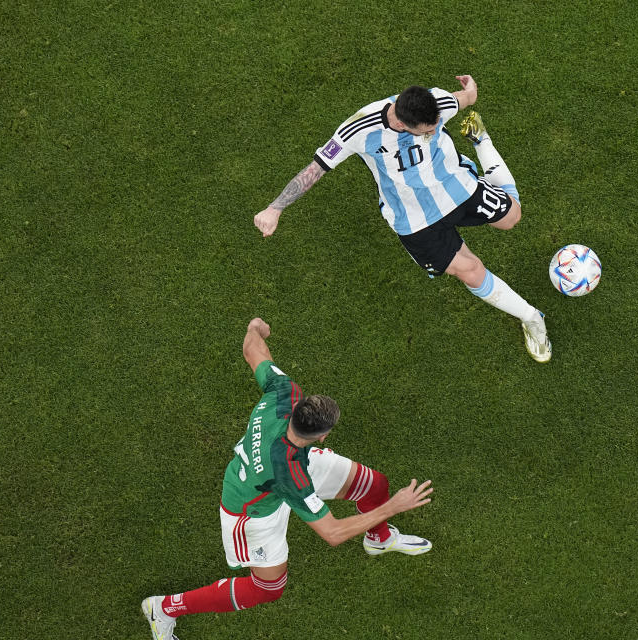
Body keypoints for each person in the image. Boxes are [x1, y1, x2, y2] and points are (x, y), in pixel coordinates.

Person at [141, 318, 434, 640]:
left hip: (289, 467)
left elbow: (253, 351)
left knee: (373, 484)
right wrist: (394, 506)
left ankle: (378, 540)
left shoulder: (284, 392)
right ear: (322, 436)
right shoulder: (291, 475)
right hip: (252, 511)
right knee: (266, 589)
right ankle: (164, 607)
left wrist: (255, 329)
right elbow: (332, 533)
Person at [253, 75, 552, 362]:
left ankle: (480, 139)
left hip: (456, 187)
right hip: (414, 219)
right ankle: (531, 317)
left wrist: (470, 90)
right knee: (470, 270)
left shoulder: (435, 103)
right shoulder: (357, 131)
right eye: (426, 131)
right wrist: (275, 208)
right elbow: (314, 170)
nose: (434, 131)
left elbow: (467, 98)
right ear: (399, 123)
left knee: (512, 216)